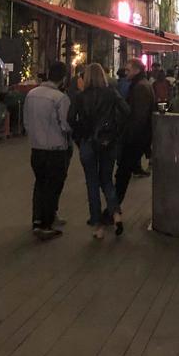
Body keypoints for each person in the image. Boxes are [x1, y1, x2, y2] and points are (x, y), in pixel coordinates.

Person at [69, 63, 129, 239]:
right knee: (107, 179)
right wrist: (115, 131)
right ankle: (116, 214)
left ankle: (97, 225)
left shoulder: (80, 97)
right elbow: (126, 110)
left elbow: (70, 118)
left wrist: (81, 134)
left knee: (92, 182)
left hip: (88, 142)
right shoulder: (111, 93)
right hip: (108, 142)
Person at [23, 61, 71, 240]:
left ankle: (37, 219)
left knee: (40, 184)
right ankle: (46, 223)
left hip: (36, 148)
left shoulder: (31, 94)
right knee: (53, 186)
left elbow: (26, 122)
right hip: (55, 148)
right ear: (63, 78)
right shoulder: (60, 98)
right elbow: (66, 125)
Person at [115, 57, 155, 203]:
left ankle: (113, 210)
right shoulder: (141, 84)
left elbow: (139, 117)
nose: (126, 72)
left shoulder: (140, 87)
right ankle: (113, 210)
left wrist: (130, 137)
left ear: (137, 70)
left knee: (122, 175)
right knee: (122, 174)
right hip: (138, 137)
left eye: (128, 69)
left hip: (135, 138)